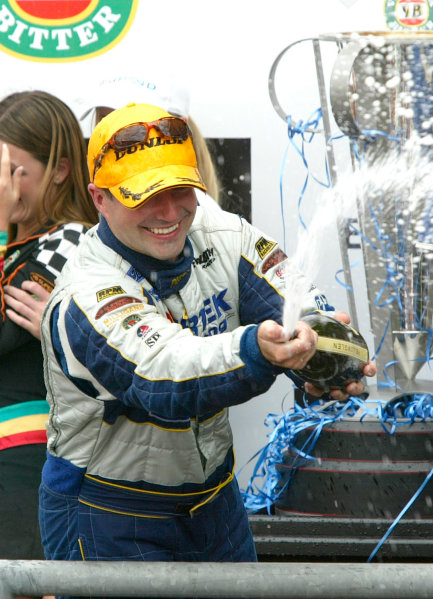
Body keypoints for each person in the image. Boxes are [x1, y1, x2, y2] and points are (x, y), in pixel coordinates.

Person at [38, 102, 375, 575]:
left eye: (181, 188)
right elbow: (163, 375)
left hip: (215, 500)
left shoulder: (225, 234)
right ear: (99, 198)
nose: (170, 211)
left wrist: (321, 356)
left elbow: (297, 307)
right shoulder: (86, 289)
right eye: (145, 196)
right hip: (107, 510)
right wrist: (255, 349)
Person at [0, 89, 98, 563]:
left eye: (14, 171)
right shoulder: (17, 245)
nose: (6, 186)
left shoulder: (71, 240)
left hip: (25, 466)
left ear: (59, 169)